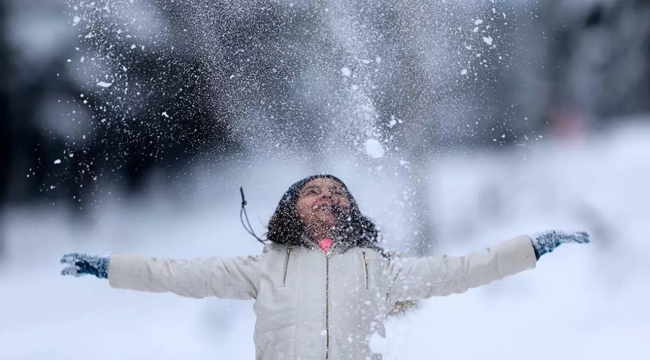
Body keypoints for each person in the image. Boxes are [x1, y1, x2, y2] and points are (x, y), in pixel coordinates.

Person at [60, 174, 590, 360]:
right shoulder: (263, 267)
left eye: (337, 193)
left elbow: (462, 269)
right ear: (292, 209)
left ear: (351, 210)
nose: (326, 198)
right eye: (313, 191)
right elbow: (175, 272)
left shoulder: (379, 268)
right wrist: (109, 267)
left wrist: (531, 248)